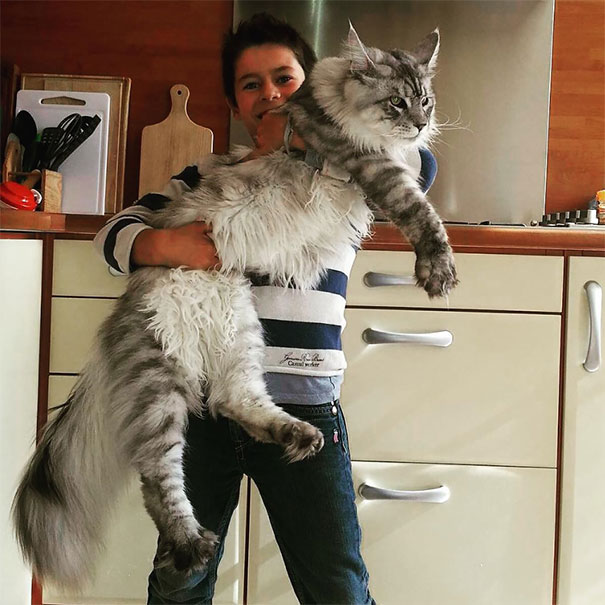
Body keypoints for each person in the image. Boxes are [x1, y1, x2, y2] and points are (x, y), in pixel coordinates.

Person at [94, 13, 437, 605]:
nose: (271, 95)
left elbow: (418, 169)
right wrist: (166, 244)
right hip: (204, 409)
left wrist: (316, 138)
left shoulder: (351, 165)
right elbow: (114, 232)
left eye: (284, 79)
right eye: (251, 85)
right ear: (235, 103)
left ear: (318, 86)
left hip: (307, 405)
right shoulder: (207, 173)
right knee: (181, 582)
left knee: (337, 586)